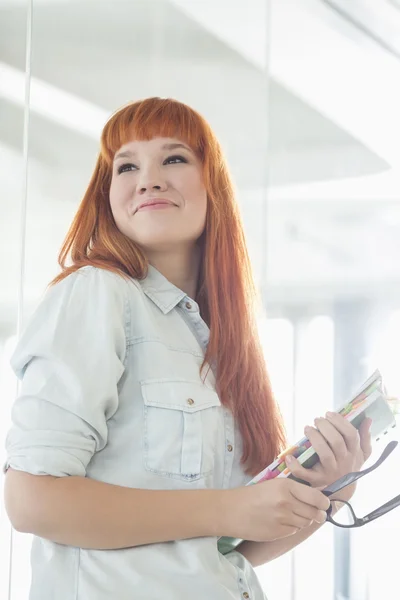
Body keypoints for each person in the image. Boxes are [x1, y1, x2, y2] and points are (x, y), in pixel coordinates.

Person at [3, 97, 372, 600]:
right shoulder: (96, 293)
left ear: (212, 183)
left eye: (173, 159)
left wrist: (331, 489)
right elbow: (32, 502)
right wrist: (229, 509)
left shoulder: (221, 342)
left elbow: (226, 549)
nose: (148, 179)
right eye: (127, 165)